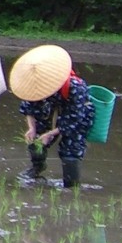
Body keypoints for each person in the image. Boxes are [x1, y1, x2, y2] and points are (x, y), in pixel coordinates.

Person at [11, 44, 95, 190]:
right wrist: (31, 128)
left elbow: (74, 119)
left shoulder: (76, 87)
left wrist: (51, 133)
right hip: (50, 110)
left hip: (77, 116)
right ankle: (37, 167)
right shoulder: (32, 85)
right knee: (35, 139)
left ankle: (71, 186)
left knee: (71, 150)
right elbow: (29, 107)